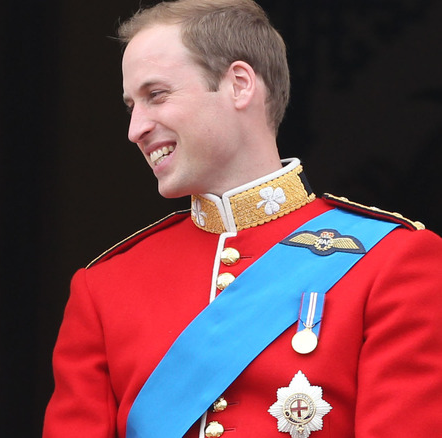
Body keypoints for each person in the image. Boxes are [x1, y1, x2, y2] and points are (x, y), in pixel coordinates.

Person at [43, 1, 442, 437]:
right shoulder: (103, 288)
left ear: (238, 84)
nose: (135, 128)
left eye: (156, 95)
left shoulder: (393, 262)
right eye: (130, 105)